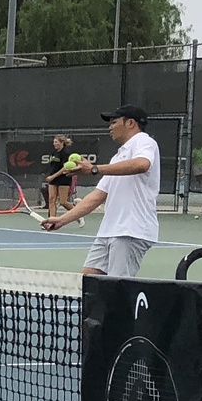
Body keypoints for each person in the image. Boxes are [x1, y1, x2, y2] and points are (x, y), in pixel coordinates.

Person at [41, 105, 159, 276]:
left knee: (118, 288)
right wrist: (62, 220)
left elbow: (142, 164)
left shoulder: (144, 141)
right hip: (109, 230)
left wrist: (94, 169)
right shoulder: (118, 157)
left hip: (131, 230)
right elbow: (98, 196)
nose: (109, 127)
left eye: (114, 122)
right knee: (90, 278)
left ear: (131, 123)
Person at [42, 134, 78, 220]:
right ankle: (51, 221)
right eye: (54, 142)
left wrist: (53, 176)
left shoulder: (66, 153)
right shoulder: (54, 153)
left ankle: (78, 215)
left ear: (61, 142)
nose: (54, 144)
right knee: (51, 199)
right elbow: (53, 166)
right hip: (53, 179)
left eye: (56, 142)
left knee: (63, 202)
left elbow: (64, 168)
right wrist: (51, 175)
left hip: (64, 178)